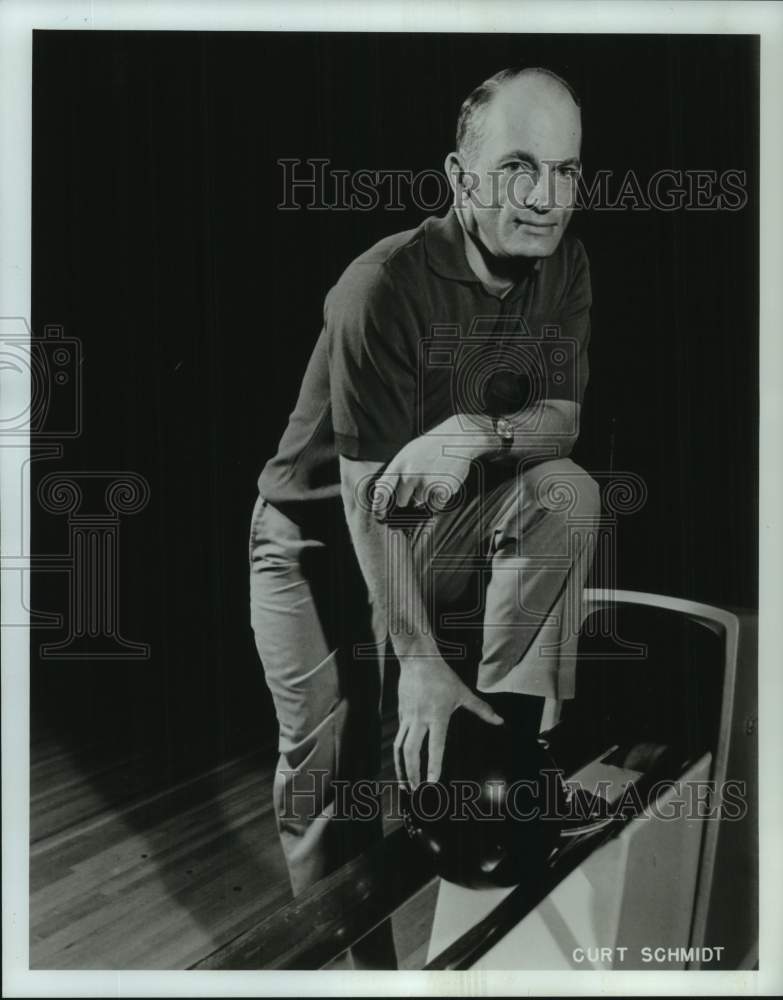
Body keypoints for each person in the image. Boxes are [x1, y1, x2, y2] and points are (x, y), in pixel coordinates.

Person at [249, 65, 600, 968]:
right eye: (519, 167)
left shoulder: (563, 263)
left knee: (566, 491)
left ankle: (512, 762)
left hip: (433, 522)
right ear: (458, 178)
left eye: (565, 171)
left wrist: (470, 431)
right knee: (330, 785)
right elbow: (371, 506)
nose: (546, 197)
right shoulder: (381, 287)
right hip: (318, 541)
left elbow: (561, 422)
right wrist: (415, 659)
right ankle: (354, 978)